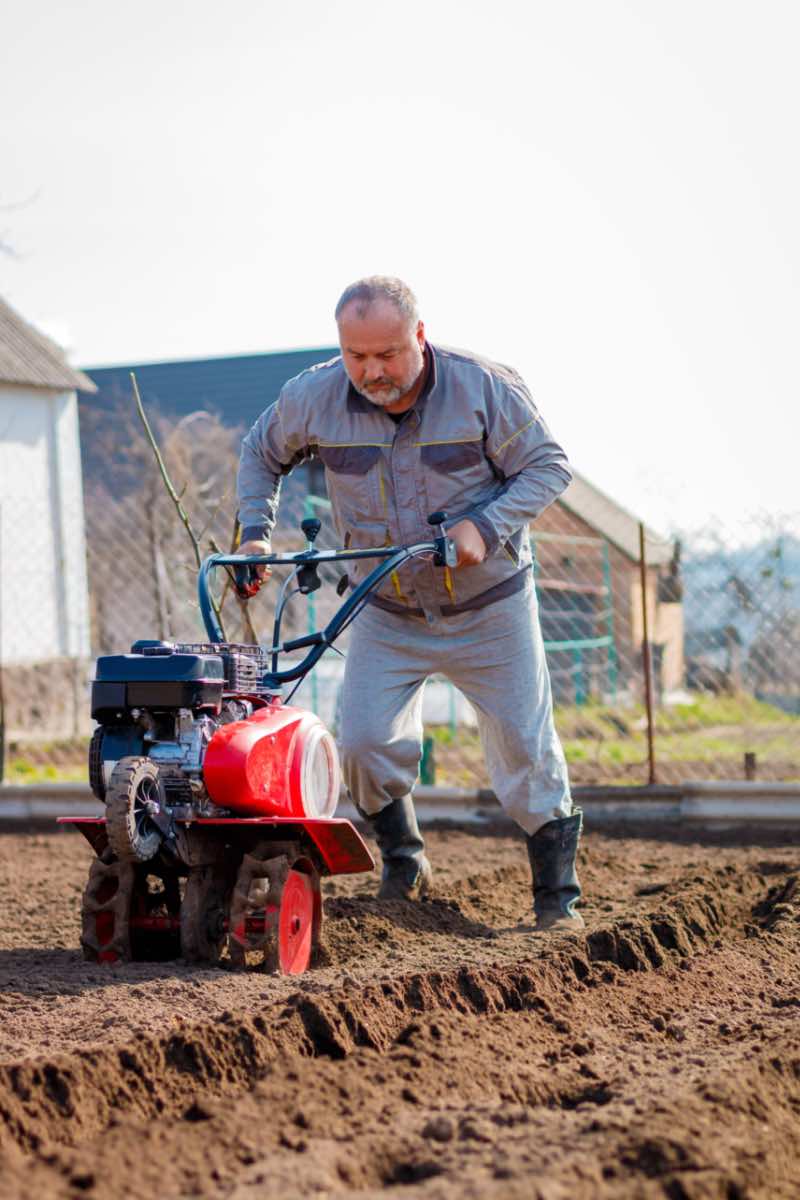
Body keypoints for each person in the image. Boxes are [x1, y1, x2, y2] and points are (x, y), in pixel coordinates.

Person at [237, 276, 583, 933]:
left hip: (490, 604)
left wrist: (487, 524)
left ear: (419, 337)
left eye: (388, 354)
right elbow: (260, 451)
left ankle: (555, 900)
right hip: (385, 605)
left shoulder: (484, 389)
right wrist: (253, 530)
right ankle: (405, 858)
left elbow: (548, 466)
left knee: (524, 748)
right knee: (364, 747)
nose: (372, 371)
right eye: (356, 356)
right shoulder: (313, 398)